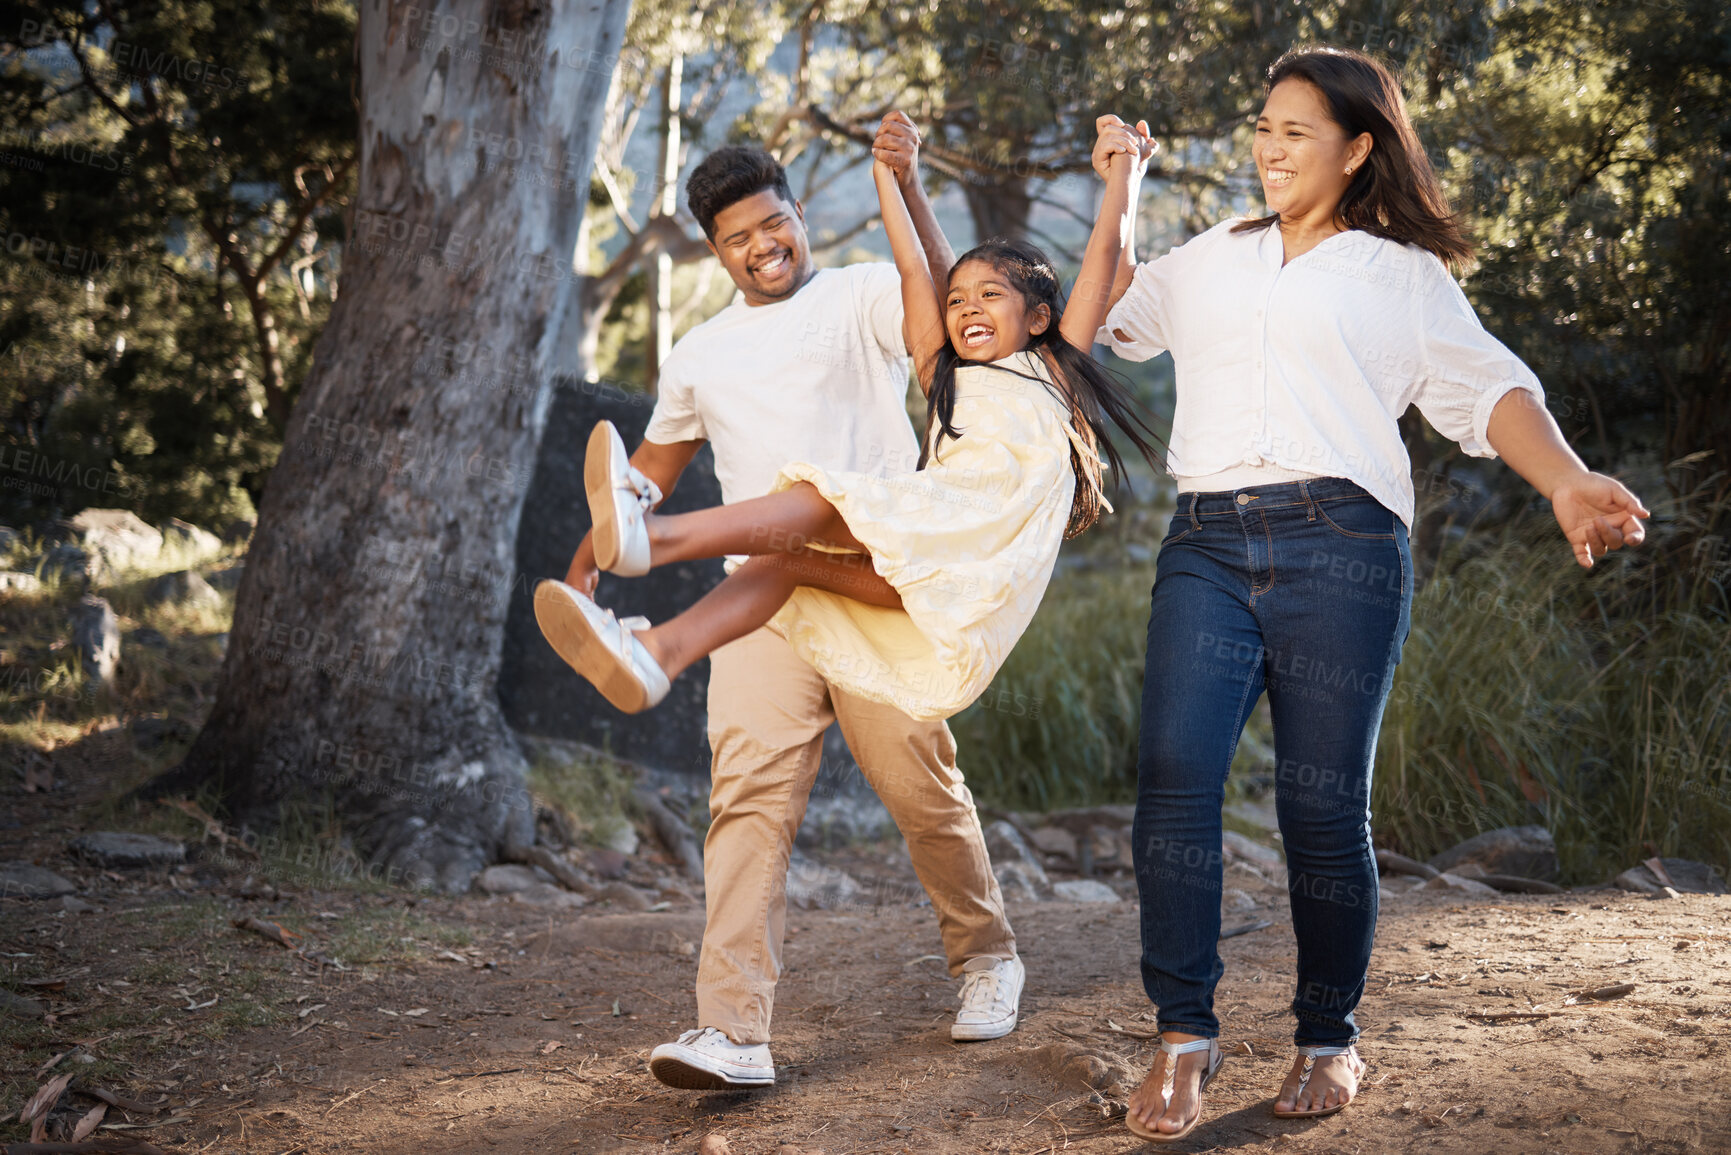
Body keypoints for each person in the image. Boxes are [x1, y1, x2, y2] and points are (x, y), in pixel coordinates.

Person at [1093, 47, 1650, 1142]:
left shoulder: (1401, 277)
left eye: (1296, 131)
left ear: (1356, 150)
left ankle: (1327, 1035)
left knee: (1317, 804)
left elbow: (1491, 389)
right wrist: (1121, 193)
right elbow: (1104, 321)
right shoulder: (1213, 256)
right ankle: (1183, 1034)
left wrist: (1568, 476)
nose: (1268, 147)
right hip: (1206, 539)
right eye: (1263, 125)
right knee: (1172, 777)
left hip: (1341, 544)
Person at [547, 121, 1029, 1092]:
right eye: (739, 238)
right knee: (747, 808)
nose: (764, 247)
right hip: (759, 606)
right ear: (712, 250)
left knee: (919, 792)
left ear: (798, 214)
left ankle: (987, 958)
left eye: (775, 224)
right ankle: (733, 1032)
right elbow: (643, 479)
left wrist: (908, 181)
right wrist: (584, 569)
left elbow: (940, 315)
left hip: (869, 581)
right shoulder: (696, 356)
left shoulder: (857, 293)